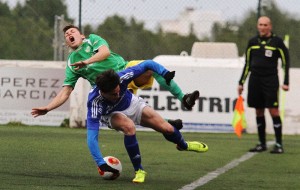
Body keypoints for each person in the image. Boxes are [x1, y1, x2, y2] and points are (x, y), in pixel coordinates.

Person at [31, 25, 199, 124]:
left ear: (81, 35)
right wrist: (48, 107)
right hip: (108, 89)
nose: (69, 35)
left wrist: (87, 62)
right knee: (131, 117)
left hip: (126, 69)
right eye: (66, 35)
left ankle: (184, 98)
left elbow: (104, 53)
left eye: (72, 32)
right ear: (66, 43)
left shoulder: (93, 40)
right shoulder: (71, 63)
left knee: (148, 68)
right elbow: (66, 91)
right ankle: (168, 124)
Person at [88, 60, 208, 183]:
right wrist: (100, 162)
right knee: (129, 127)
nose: (118, 95)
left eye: (119, 90)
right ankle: (139, 171)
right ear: (103, 92)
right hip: (111, 114)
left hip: (132, 103)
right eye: (114, 94)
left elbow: (148, 64)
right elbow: (92, 137)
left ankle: (184, 145)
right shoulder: (94, 103)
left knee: (167, 128)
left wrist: (164, 72)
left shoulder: (122, 77)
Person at [238, 16, 290, 154]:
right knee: (258, 110)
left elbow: (286, 62)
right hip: (255, 80)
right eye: (260, 24)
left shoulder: (277, 42)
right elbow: (247, 64)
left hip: (270, 80)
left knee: (273, 111)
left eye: (265, 25)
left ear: (270, 26)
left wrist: (286, 82)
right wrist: (241, 82)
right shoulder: (252, 42)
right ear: (257, 26)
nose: (262, 27)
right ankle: (262, 143)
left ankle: (279, 144)